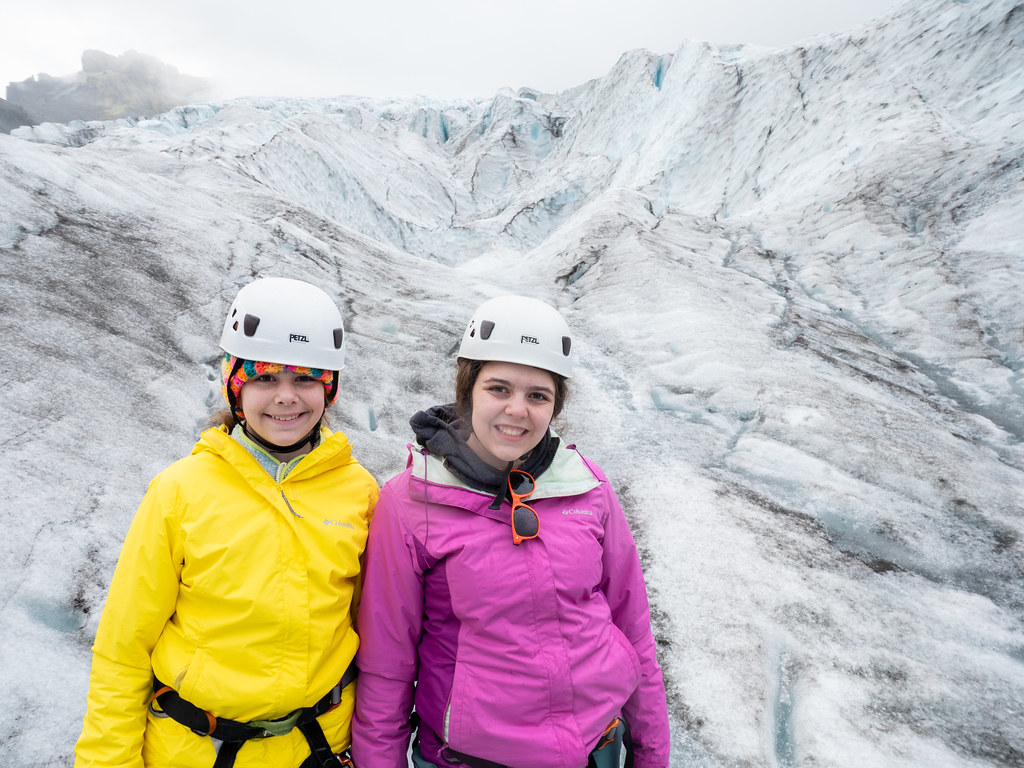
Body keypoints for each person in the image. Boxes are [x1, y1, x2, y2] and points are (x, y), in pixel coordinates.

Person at [352, 295, 670, 768]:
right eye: (499, 388)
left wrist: (651, 755)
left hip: (598, 748)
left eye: (537, 396)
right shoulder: (411, 501)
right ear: (469, 391)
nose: (517, 410)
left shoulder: (587, 487)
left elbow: (633, 631)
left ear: (554, 406)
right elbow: (387, 665)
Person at [74, 277, 379, 768]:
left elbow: (369, 627)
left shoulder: (358, 492)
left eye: (305, 379)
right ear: (235, 385)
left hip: (316, 749)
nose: (286, 398)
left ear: (330, 388)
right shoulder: (182, 490)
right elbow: (123, 648)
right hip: (194, 750)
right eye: (263, 378)